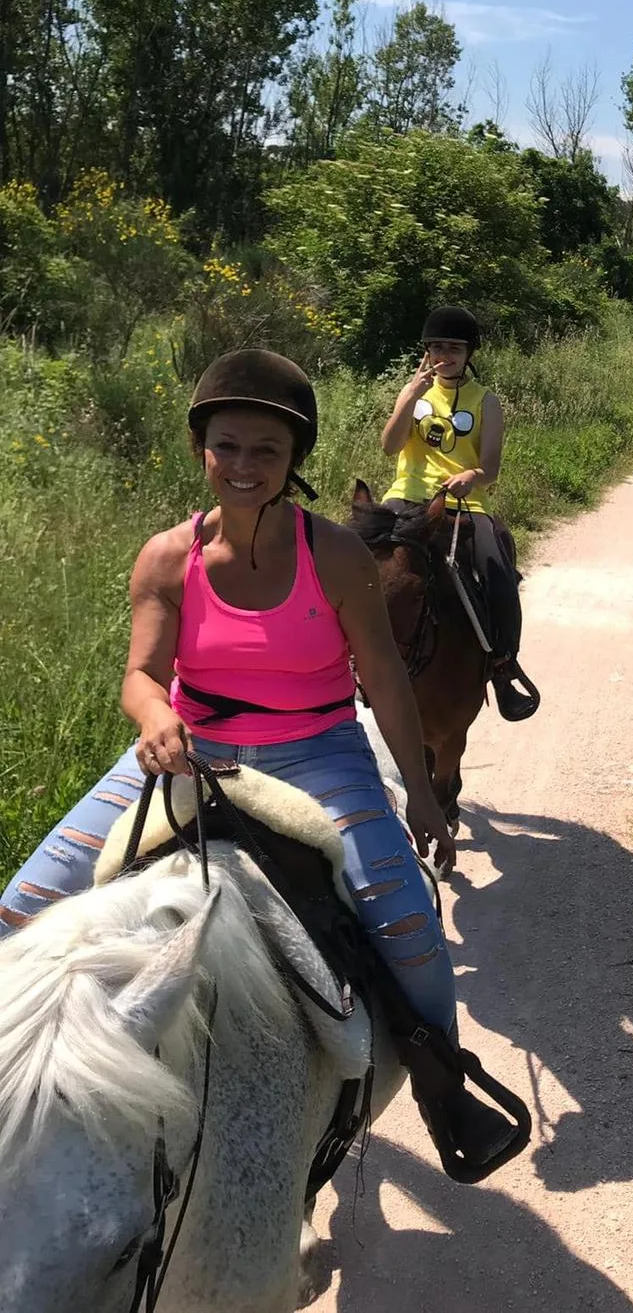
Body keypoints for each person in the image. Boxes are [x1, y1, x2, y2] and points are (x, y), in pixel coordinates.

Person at [0, 347, 517, 1170]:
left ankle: (444, 1088)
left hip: (318, 750)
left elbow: (383, 676)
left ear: (293, 459)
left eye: (266, 450)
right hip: (191, 749)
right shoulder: (166, 557)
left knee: (408, 923)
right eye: (227, 446)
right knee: (22, 907)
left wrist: (420, 794)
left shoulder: (335, 555)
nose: (244, 465)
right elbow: (142, 675)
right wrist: (156, 716)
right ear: (201, 450)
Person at [381, 306, 538, 722]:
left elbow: (491, 468)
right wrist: (408, 398)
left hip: (464, 503)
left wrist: (472, 475)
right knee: (353, 555)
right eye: (436, 347)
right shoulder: (413, 394)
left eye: (453, 348)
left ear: (469, 353)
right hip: (406, 497)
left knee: (497, 570)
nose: (444, 355)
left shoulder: (486, 402)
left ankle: (503, 666)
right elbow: (390, 446)